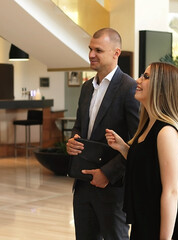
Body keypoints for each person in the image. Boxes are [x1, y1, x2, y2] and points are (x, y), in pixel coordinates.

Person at [105, 62, 178, 239]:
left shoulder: (166, 133)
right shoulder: (148, 126)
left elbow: (172, 192)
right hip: (147, 217)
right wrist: (123, 148)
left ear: (162, 88)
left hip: (168, 225)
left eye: (146, 77)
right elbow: (148, 166)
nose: (138, 80)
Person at [66, 28, 140, 240]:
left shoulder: (130, 88)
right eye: (90, 49)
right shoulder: (87, 87)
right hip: (82, 184)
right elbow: (79, 126)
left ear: (116, 52)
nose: (91, 54)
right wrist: (73, 140)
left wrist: (107, 173)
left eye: (98, 50)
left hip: (113, 189)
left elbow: (136, 143)